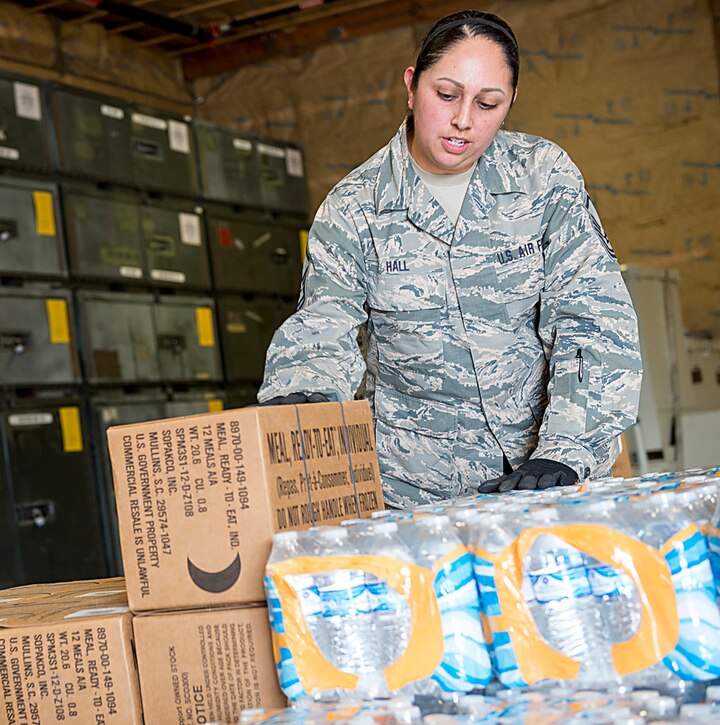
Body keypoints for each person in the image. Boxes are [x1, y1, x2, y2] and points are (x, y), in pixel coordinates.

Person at [259, 10, 642, 508]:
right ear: (412, 86)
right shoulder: (356, 208)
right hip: (419, 496)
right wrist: (302, 397)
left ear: (510, 105)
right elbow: (323, 324)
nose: (464, 119)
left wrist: (567, 451)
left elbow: (593, 318)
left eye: (488, 103)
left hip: (554, 475)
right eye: (446, 95)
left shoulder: (543, 178)